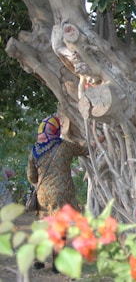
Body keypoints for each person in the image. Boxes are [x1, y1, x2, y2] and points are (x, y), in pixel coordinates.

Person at [27, 115, 90, 273]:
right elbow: (86, 149)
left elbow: (31, 177)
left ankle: (38, 261)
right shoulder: (65, 147)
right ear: (56, 131)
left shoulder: (34, 151)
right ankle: (56, 264)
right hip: (62, 194)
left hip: (43, 195)